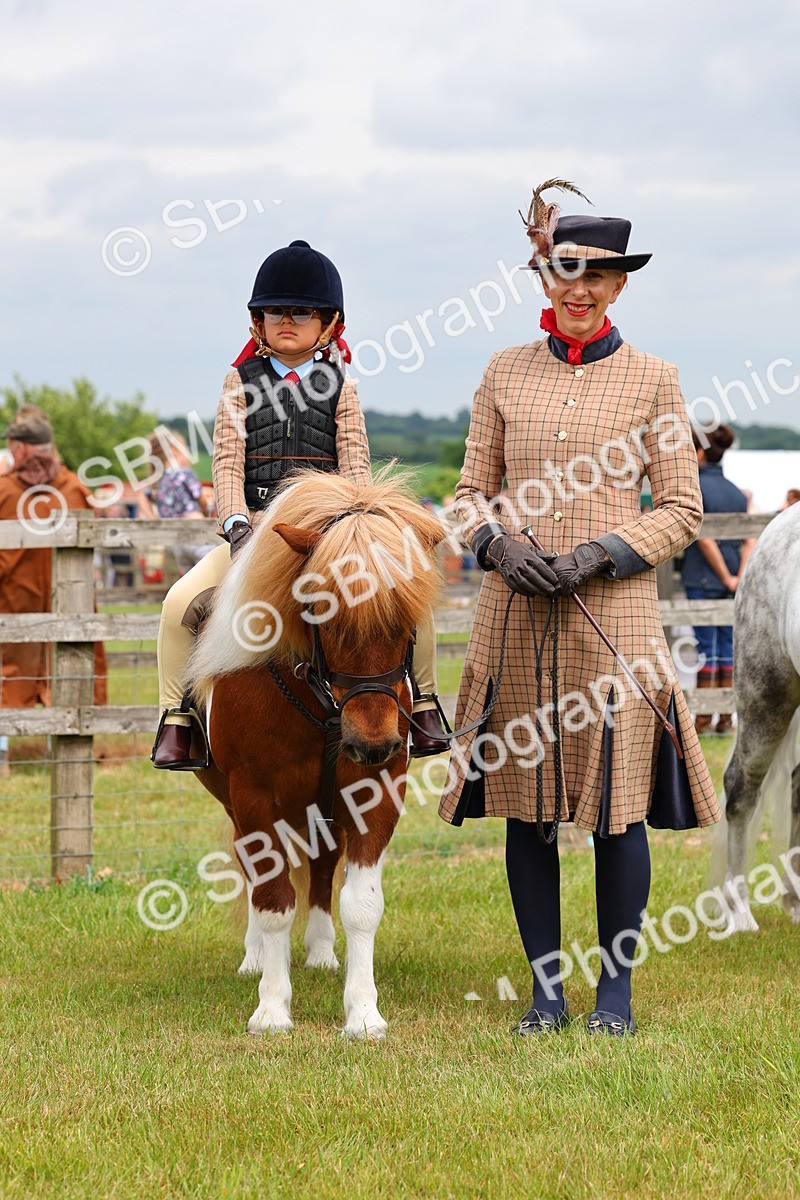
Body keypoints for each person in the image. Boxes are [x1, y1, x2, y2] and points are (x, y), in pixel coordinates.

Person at [439, 180, 720, 1036]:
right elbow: (464, 495)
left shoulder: (656, 381)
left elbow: (682, 507)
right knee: (527, 809)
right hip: (514, 619)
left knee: (613, 810)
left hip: (616, 624)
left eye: (598, 274)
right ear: (545, 272)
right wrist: (496, 546)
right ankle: (545, 994)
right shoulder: (502, 372)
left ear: (621, 284)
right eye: (566, 268)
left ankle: (615, 997)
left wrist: (601, 553)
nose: (579, 286)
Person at [151, 239, 449, 768]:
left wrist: (361, 526)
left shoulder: (342, 387)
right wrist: (237, 522)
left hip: (330, 538)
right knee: (179, 603)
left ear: (328, 324)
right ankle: (177, 718)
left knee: (410, 609)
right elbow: (226, 463)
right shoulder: (237, 383)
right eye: (274, 311)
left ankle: (423, 705)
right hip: (257, 533)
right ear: (257, 322)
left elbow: (356, 464)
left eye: (301, 312)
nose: (286, 320)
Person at [0, 405, 107, 709]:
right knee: (73, 666)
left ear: (19, 449)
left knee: (11, 672)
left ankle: (4, 751)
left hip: (16, 601)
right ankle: (73, 748)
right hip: (74, 600)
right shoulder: (74, 488)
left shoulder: (4, 491)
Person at [680, 425, 754, 734]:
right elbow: (749, 537)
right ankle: (725, 716)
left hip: (704, 577)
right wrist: (737, 577)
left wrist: (722, 574)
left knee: (705, 647)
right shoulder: (737, 491)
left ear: (699, 451)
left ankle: (701, 717)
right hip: (734, 577)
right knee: (727, 646)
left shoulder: (694, 487)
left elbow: (706, 540)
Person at [146, 431, 215, 574]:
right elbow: (201, 500)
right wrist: (208, 505)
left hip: (178, 543)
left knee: (190, 585)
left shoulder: (158, 482)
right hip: (197, 534)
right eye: (185, 448)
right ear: (174, 451)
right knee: (213, 576)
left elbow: (144, 498)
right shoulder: (185, 473)